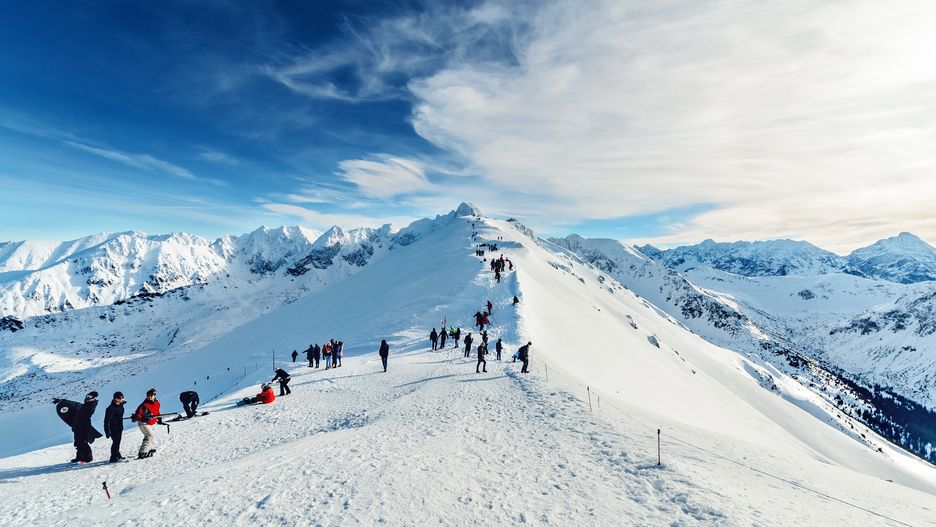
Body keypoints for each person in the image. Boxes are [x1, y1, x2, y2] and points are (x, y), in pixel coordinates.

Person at [132, 388, 161, 459]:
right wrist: (143, 418)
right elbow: (138, 415)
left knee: (150, 437)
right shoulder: (144, 405)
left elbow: (157, 412)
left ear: (154, 395)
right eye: (148, 395)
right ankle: (142, 453)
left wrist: (159, 418)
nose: (149, 397)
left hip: (152, 423)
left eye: (151, 395)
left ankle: (147, 449)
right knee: (149, 436)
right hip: (144, 423)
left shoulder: (157, 403)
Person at [72, 391, 98, 463]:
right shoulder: (86, 404)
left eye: (90, 397)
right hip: (77, 425)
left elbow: (85, 413)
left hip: (84, 426)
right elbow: (76, 405)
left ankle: (88, 458)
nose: (87, 397)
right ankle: (79, 457)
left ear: (93, 398)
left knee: (83, 442)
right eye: (87, 396)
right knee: (77, 442)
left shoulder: (91, 405)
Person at [103, 391, 125, 463]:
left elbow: (119, 416)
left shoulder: (120, 406)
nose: (121, 399)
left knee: (117, 442)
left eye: (121, 398)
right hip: (113, 428)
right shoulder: (110, 408)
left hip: (119, 427)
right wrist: (107, 431)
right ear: (115, 398)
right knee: (116, 443)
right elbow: (107, 421)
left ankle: (117, 455)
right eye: (119, 398)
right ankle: (113, 458)